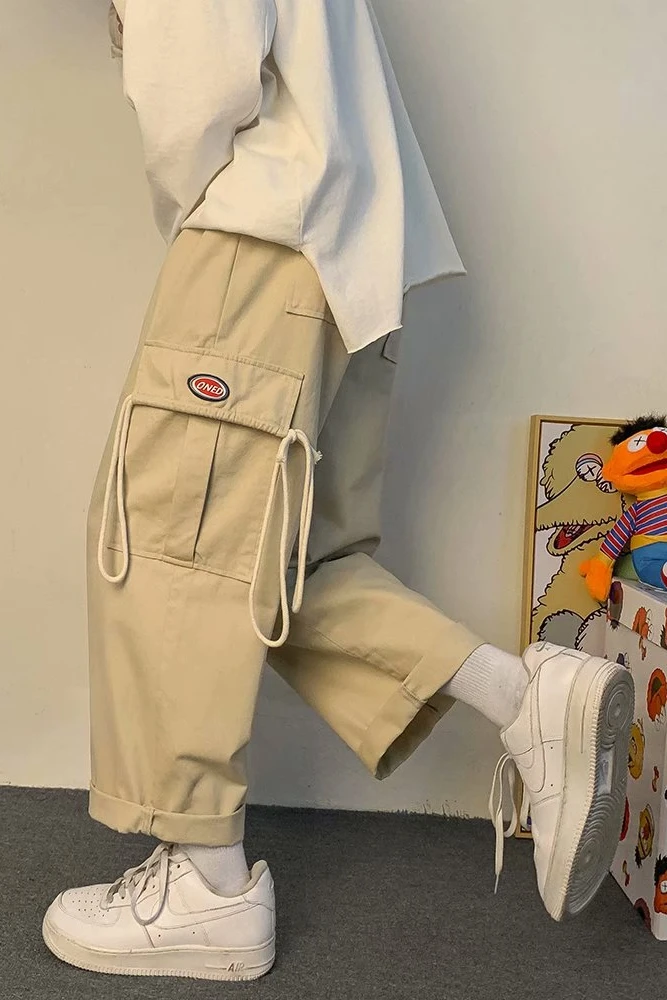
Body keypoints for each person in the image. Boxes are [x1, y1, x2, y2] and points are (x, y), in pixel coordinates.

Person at [42, 0, 634, 981]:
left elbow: (199, 83)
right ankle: (526, 696)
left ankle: (205, 886)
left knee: (169, 548)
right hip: (351, 248)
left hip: (260, 234)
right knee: (280, 565)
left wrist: (198, 213)